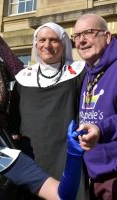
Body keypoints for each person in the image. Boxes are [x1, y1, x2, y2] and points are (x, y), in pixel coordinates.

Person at [15, 22, 89, 199]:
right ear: (35, 43)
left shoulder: (79, 73)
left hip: (66, 153)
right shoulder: (23, 78)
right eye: (42, 40)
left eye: (53, 40)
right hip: (31, 155)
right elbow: (14, 121)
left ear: (63, 44)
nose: (47, 45)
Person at [72, 13, 117, 199]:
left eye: (88, 33)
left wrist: (100, 129)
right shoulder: (89, 71)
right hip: (94, 174)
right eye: (77, 36)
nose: (81, 41)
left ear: (106, 37)